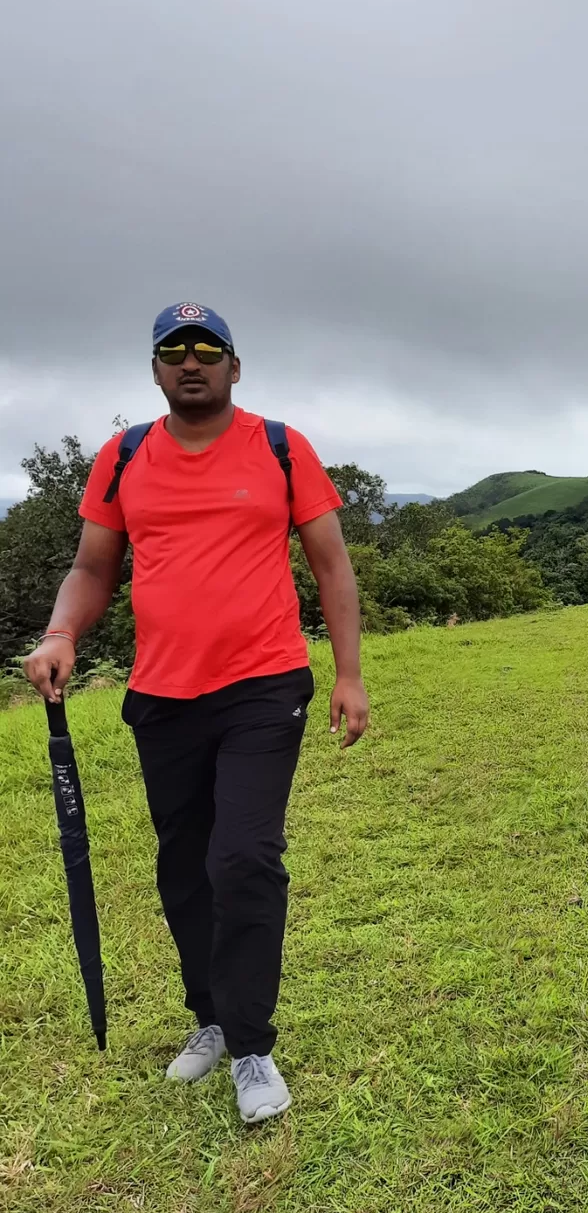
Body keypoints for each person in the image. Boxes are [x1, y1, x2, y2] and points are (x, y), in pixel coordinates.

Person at [24, 303, 369, 1124]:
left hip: (263, 685)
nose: (191, 362)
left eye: (207, 350)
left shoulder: (281, 447)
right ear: (154, 371)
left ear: (234, 368)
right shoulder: (125, 455)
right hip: (163, 695)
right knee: (185, 864)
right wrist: (62, 630)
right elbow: (92, 566)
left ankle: (252, 1046)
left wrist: (349, 675)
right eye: (173, 351)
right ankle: (210, 1015)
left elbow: (332, 567)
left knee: (244, 858)